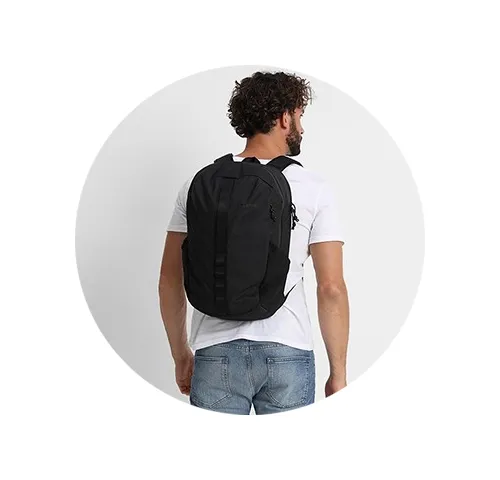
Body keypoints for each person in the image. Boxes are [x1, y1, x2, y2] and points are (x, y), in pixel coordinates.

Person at [158, 71, 349, 415]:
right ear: (284, 118)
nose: (302, 127)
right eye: (300, 115)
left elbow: (169, 280)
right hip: (287, 349)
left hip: (215, 352)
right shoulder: (314, 187)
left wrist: (181, 355)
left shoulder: (199, 184)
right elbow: (331, 287)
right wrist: (339, 373)